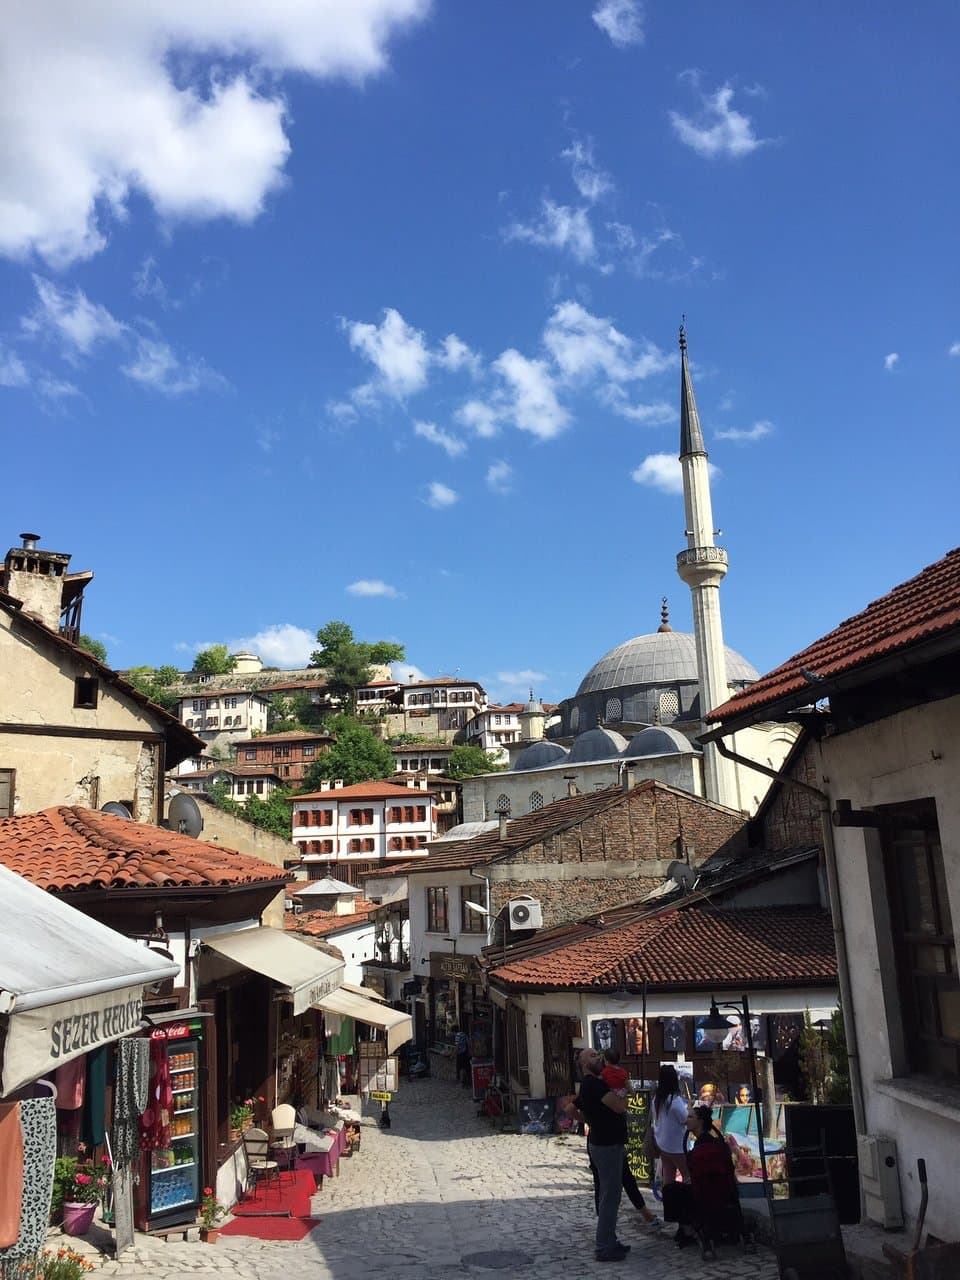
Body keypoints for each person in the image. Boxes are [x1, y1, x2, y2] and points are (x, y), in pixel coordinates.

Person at [566, 1047, 631, 1263]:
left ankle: (610, 1239)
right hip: (606, 1144)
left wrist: (589, 1120)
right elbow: (619, 1107)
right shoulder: (593, 1084)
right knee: (610, 1197)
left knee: (611, 1194)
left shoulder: (591, 1084)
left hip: (605, 1141)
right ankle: (604, 1246)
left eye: (597, 1054)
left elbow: (570, 1110)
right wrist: (626, 1097)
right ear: (584, 1064)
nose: (598, 1058)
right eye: (592, 1056)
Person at [662, 1105, 741, 1252]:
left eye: (690, 1117)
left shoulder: (701, 1148)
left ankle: (687, 1230)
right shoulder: (717, 1144)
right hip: (725, 1193)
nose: (686, 1121)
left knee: (670, 1190)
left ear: (700, 1122)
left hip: (705, 1195)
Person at [598, 1050, 660, 1231]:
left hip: (607, 1113)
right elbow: (632, 1090)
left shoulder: (603, 1075)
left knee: (610, 1182)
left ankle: (606, 1221)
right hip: (621, 1115)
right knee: (625, 1178)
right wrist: (623, 1096)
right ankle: (645, 1216)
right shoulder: (623, 1073)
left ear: (605, 1060)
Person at [652, 1064, 691, 1185]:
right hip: (677, 1146)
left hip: (662, 1144)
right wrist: (690, 1107)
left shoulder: (657, 1099)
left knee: (668, 1176)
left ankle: (668, 1201)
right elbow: (685, 1119)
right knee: (688, 1176)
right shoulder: (674, 1100)